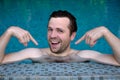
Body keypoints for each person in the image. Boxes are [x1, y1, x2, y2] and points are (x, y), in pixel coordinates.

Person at [0, 10, 120, 66]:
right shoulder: (35, 53)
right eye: (50, 29)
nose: (52, 36)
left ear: (72, 35)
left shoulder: (83, 55)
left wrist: (106, 32)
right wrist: (9, 32)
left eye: (60, 31)